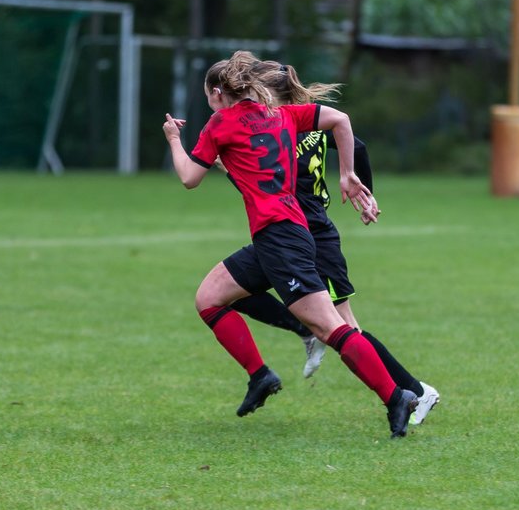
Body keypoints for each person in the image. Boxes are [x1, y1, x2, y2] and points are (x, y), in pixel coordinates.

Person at [162, 51, 418, 438]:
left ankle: (396, 395)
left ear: (218, 93)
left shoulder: (220, 123)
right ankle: (260, 375)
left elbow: (188, 178)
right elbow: (341, 120)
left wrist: (173, 140)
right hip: (278, 235)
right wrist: (347, 173)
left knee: (331, 328)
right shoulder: (281, 115)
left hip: (281, 237)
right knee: (210, 298)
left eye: (208, 96)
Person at [227, 61, 440, 425]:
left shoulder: (281, 128)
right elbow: (356, 144)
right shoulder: (305, 124)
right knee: (227, 291)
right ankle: (306, 332)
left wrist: (358, 188)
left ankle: (416, 392)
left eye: (250, 91)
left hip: (309, 237)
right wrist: (362, 187)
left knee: (345, 327)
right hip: (288, 235)